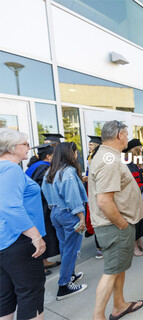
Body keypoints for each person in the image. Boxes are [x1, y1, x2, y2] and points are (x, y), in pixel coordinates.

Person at [89, 121, 143, 320]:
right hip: (114, 226)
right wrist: (122, 224)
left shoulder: (109, 156)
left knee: (118, 268)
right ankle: (98, 316)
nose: (128, 138)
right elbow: (104, 201)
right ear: (119, 135)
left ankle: (119, 305)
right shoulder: (108, 160)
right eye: (127, 134)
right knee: (112, 271)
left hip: (116, 225)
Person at [0, 128, 46, 320]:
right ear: (11, 148)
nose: (29, 148)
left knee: (5, 297)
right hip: (19, 240)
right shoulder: (11, 169)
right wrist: (36, 236)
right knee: (31, 295)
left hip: (4, 242)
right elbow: (9, 206)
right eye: (25, 144)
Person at [42, 142, 88, 300]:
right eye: (75, 152)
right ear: (69, 153)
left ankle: (70, 275)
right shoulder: (68, 172)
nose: (76, 155)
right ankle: (64, 286)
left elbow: (45, 191)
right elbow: (73, 197)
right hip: (70, 214)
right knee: (71, 249)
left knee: (65, 247)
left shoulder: (51, 170)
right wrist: (81, 217)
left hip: (56, 212)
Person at [26, 142, 61, 273]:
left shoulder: (34, 166)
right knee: (44, 231)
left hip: (35, 205)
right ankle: (41, 264)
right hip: (41, 206)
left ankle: (44, 260)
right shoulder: (43, 168)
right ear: (48, 156)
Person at [123, 139, 143, 257]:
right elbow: (129, 182)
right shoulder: (126, 162)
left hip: (139, 196)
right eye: (140, 148)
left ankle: (139, 242)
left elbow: (137, 176)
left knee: (140, 220)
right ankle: (134, 247)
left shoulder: (134, 162)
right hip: (132, 197)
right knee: (135, 221)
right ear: (134, 150)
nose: (141, 150)